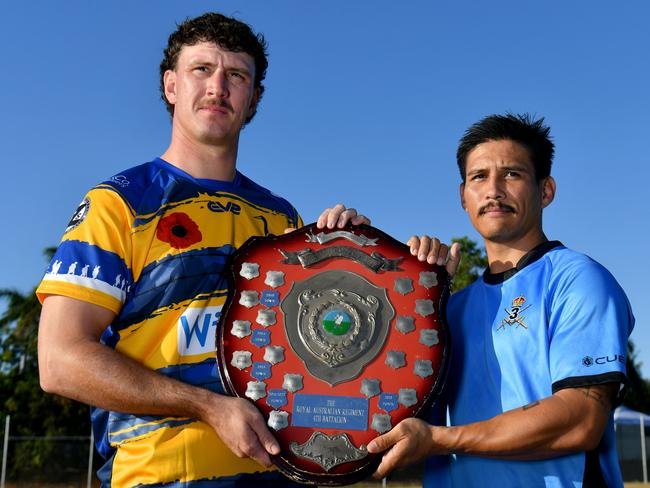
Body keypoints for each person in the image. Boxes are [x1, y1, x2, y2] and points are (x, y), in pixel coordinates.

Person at [36, 12, 367, 487]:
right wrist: (208, 407)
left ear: (254, 98)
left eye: (236, 75)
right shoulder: (120, 203)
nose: (218, 87)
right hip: (158, 475)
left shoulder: (283, 220)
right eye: (201, 70)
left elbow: (312, 352)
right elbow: (59, 360)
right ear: (171, 85)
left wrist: (352, 260)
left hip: (274, 473)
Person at [367, 113, 634, 487]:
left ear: (546, 190)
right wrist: (366, 267)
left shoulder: (577, 279)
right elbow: (391, 418)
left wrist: (440, 440)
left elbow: (582, 418)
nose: (494, 189)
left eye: (512, 174)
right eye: (479, 177)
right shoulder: (449, 309)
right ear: (462, 196)